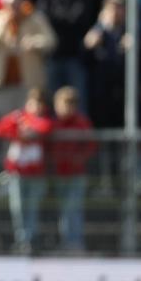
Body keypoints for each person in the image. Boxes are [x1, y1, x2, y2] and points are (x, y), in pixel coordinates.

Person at [0, 87, 53, 254]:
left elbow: (43, 129)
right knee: (17, 208)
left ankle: (30, 240)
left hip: (36, 174)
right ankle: (21, 240)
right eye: (33, 103)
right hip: (17, 173)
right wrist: (15, 122)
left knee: (32, 207)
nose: (36, 107)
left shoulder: (43, 120)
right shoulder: (19, 118)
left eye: (40, 103)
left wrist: (26, 127)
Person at [49, 86, 96, 252]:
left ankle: (75, 243)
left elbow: (91, 145)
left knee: (73, 208)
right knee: (64, 209)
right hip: (60, 174)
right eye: (64, 103)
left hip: (77, 175)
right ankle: (66, 243)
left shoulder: (82, 123)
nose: (67, 107)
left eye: (71, 104)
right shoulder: (53, 124)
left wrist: (79, 158)